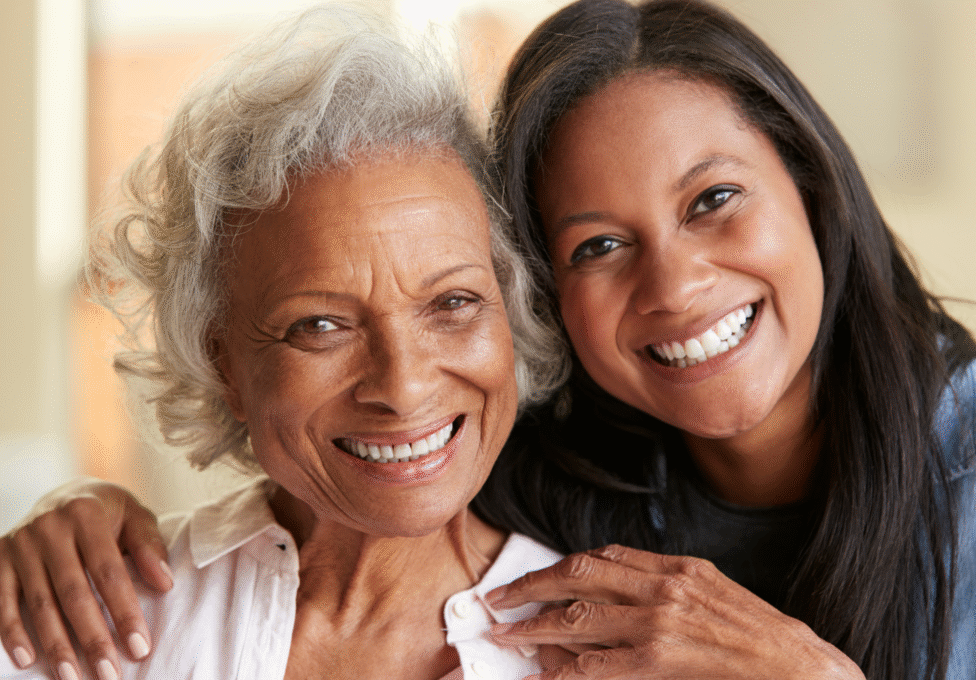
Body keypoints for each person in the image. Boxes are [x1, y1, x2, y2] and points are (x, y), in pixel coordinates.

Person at [4, 0, 976, 678]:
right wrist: (69, 510)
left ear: (812, 183)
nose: (673, 283)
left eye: (713, 199)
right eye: (598, 245)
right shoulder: (547, 489)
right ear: (542, 298)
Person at [0, 6, 575, 680]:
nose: (404, 386)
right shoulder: (86, 622)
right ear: (224, 365)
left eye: (454, 303)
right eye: (321, 326)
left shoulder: (612, 649)